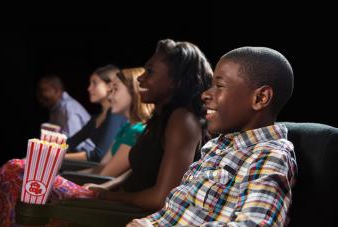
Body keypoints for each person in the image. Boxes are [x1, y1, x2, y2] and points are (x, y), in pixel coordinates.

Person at [127, 46, 297, 226]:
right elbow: (175, 213)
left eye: (220, 86)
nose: (206, 94)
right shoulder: (216, 146)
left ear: (260, 98)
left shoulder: (268, 155)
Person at [0, 67, 153, 226]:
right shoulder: (126, 128)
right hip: (96, 188)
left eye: (115, 89)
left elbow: (106, 173)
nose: (110, 95)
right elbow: (101, 166)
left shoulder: (137, 130)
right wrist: (64, 175)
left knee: (15, 169)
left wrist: (65, 176)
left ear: (133, 92)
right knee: (18, 171)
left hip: (102, 197)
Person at [88, 39, 213, 212]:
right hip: (124, 208)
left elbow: (162, 199)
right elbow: (141, 170)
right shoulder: (162, 117)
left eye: (150, 71)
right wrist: (106, 188)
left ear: (176, 80)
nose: (141, 77)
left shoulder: (182, 120)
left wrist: (110, 196)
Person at [65, 64, 128, 162]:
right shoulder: (96, 118)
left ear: (109, 86)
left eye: (94, 83)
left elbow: (99, 154)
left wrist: (61, 157)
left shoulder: (115, 115)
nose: (89, 88)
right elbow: (70, 142)